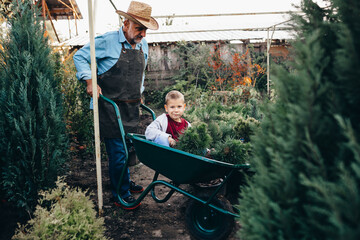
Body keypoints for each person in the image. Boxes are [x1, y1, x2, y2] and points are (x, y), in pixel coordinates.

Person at [73, 1, 159, 210]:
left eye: (145, 29)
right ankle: (120, 194)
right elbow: (80, 57)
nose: (143, 35)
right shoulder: (107, 41)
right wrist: (90, 81)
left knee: (129, 149)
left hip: (131, 106)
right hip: (109, 108)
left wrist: (139, 94)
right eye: (139, 28)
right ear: (126, 22)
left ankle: (124, 181)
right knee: (118, 152)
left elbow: (140, 74)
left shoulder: (142, 44)